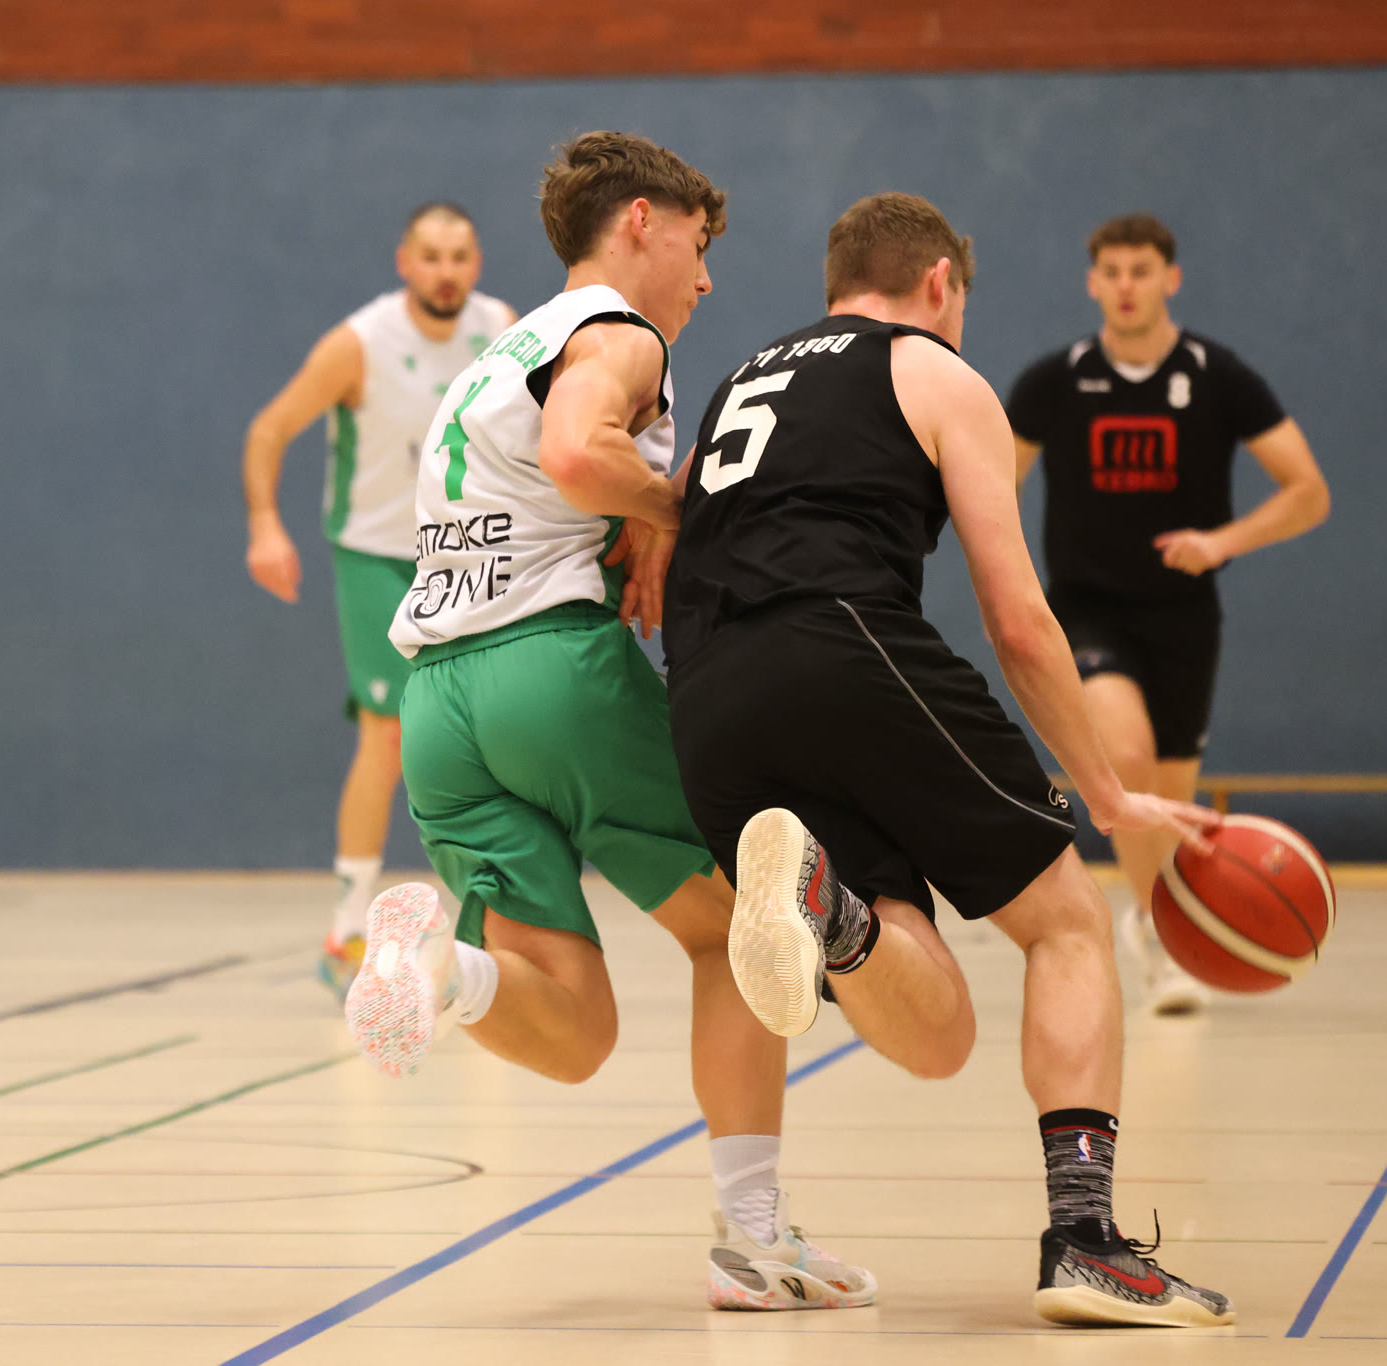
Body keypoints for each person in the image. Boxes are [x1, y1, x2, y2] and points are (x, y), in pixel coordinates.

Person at [663, 192, 1234, 1327]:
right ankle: (1085, 1240)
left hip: (707, 695)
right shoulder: (929, 368)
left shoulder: (737, 381)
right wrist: (1107, 791)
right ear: (938, 284)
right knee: (1067, 924)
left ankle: (833, 915)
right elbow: (1017, 619)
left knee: (938, 1035)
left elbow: (668, 518)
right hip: (841, 642)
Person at [343, 131, 876, 1313]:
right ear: (641, 220)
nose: (704, 278)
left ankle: (436, 970)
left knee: (572, 1027)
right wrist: (677, 509)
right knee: (737, 928)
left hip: (439, 705)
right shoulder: (618, 332)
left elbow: (550, 468)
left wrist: (625, 510)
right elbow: (576, 453)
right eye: (697, 243)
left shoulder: (496, 354)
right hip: (550, 674)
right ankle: (753, 1239)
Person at [1007, 213, 1330, 1013]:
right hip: (1085, 610)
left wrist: (1222, 542)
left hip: (1183, 617)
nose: (1126, 286)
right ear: (1093, 283)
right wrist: (1008, 584)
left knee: (1174, 802)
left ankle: (1162, 915)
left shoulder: (1219, 377)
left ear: (1170, 279)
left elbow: (1308, 492)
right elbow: (991, 487)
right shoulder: (1053, 382)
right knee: (1128, 756)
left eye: (1141, 270)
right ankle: (1156, 933)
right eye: (1112, 271)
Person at [241, 205, 515, 1000]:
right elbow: (268, 431)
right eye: (430, 256)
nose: (445, 272)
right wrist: (265, 524)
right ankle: (347, 927)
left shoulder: (502, 329)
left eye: (459, 256)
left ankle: (489, 928)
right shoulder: (360, 343)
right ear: (404, 262)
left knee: (487, 737)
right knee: (387, 734)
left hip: (465, 556)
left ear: (476, 262)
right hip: (376, 557)